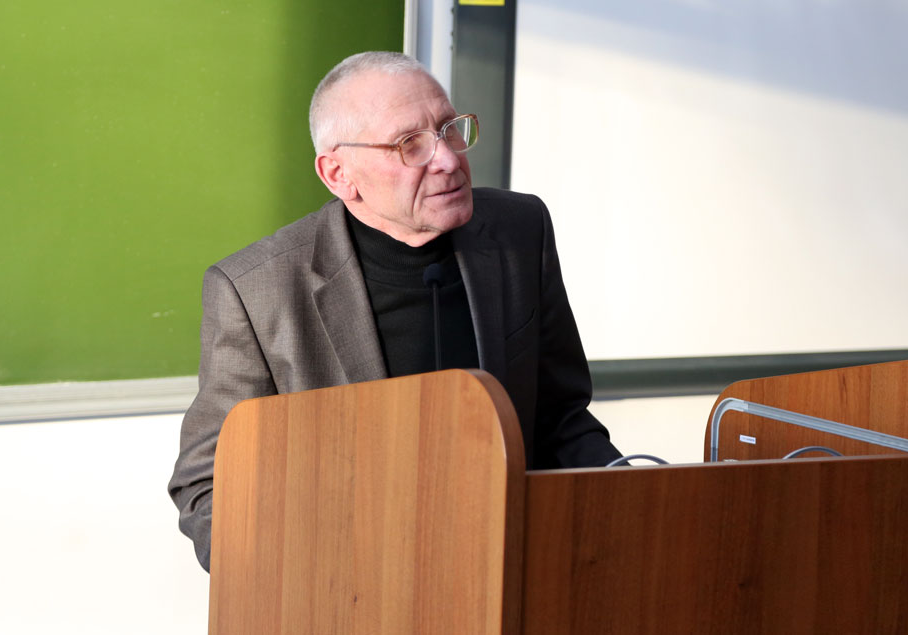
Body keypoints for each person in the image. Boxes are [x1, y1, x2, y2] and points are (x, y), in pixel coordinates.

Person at [168, 51, 620, 571]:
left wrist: (630, 496)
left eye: (449, 129)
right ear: (339, 174)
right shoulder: (255, 290)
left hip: (508, 562)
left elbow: (560, 418)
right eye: (410, 144)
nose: (447, 159)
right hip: (354, 581)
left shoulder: (520, 229)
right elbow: (208, 482)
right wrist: (292, 577)